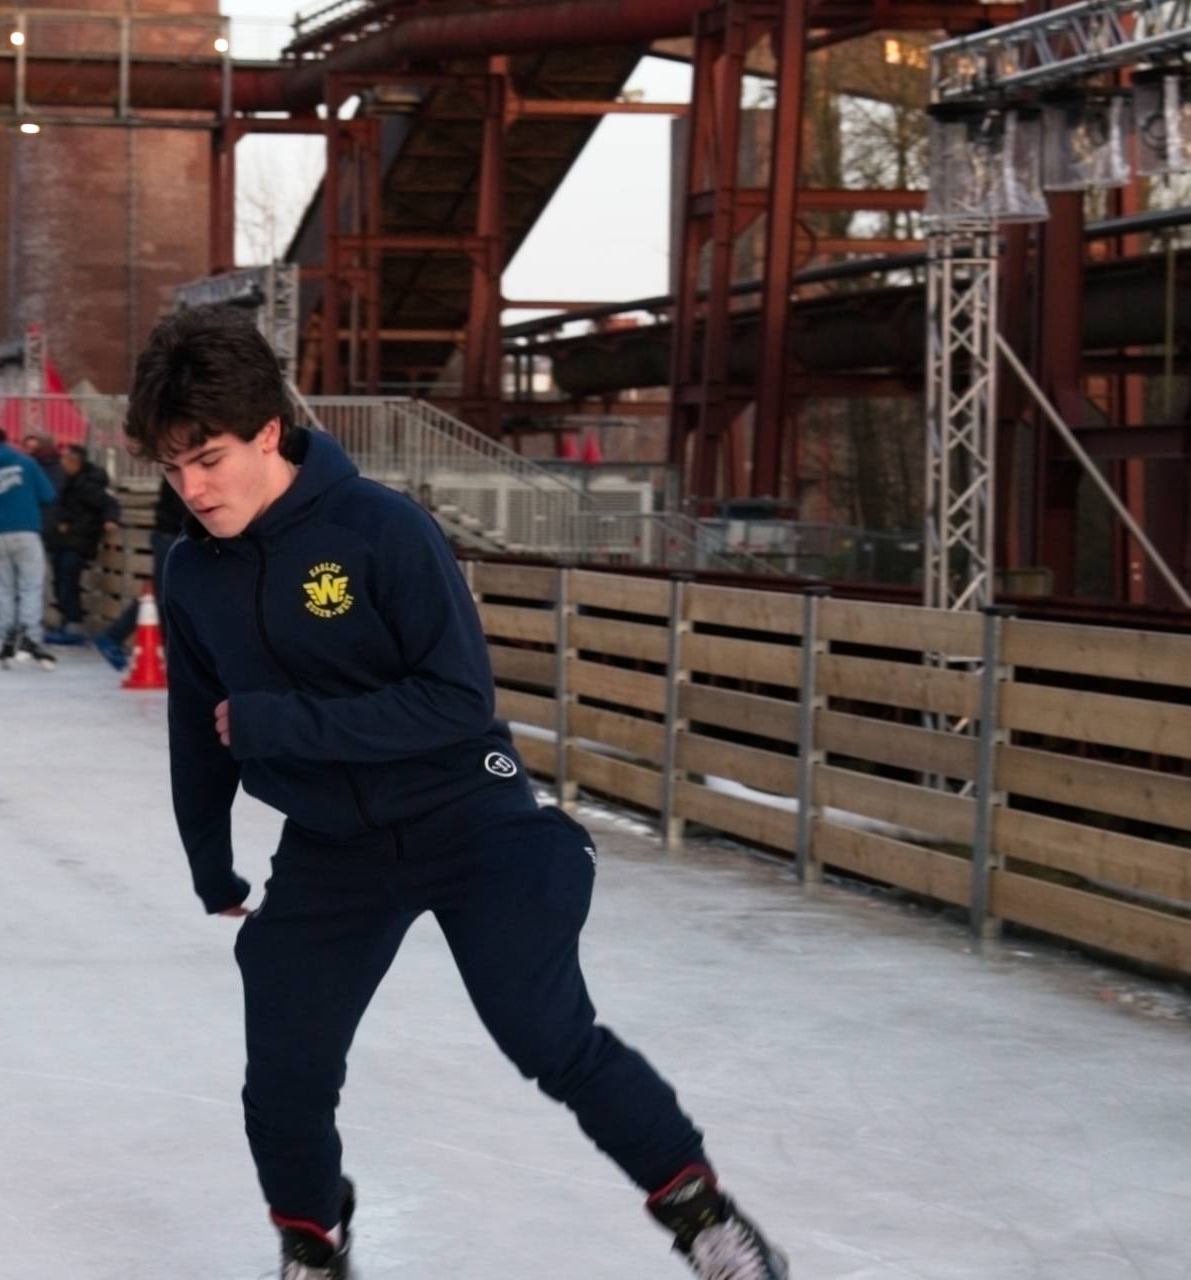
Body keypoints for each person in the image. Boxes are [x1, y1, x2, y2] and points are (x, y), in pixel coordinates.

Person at [130, 306, 786, 1280]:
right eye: (171, 467)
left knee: (545, 1032)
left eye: (209, 459)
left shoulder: (380, 529)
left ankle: (702, 1215)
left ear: (267, 431)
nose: (191, 488)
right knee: (285, 1070)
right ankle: (312, 1237)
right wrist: (205, 851)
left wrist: (284, 724)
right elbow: (197, 719)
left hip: (463, 813)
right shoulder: (190, 571)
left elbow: (456, 699)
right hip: (331, 841)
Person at [0, 423, 58, 668]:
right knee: (31, 586)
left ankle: (7, 636)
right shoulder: (27, 464)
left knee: (3, 589)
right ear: (7, 440)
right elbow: (48, 494)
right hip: (27, 532)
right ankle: (30, 635)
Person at [96, 483, 188, 670]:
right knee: (162, 595)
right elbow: (182, 505)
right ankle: (114, 637)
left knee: (164, 594)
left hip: (175, 534)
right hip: (171, 534)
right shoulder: (181, 472)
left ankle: (114, 637)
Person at [45, 442, 119, 647]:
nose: (61, 463)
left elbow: (109, 504)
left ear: (74, 461)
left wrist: (111, 520)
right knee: (60, 582)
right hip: (65, 541)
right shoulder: (70, 481)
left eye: (64, 459)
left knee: (68, 582)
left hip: (79, 541)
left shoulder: (87, 485)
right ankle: (67, 621)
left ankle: (74, 624)